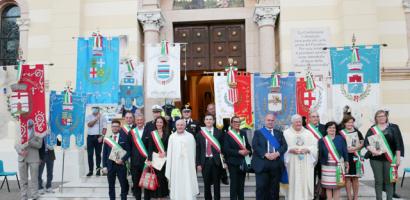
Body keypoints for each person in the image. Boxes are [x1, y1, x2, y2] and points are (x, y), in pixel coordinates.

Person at [364, 110, 401, 200]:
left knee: (389, 181)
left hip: (390, 159)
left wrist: (398, 159)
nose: (381, 118)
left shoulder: (393, 129)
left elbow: (398, 144)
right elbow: (366, 143)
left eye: (383, 116)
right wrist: (372, 149)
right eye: (379, 116)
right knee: (378, 181)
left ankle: (389, 198)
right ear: (376, 118)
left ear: (386, 117)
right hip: (375, 159)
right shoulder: (372, 129)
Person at [251, 114, 288, 200]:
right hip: (262, 163)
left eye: (272, 120)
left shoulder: (279, 133)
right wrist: (265, 154)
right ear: (265, 121)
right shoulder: (258, 133)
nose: (270, 122)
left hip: (275, 164)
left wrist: (277, 153)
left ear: (274, 122)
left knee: (274, 189)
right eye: (268, 120)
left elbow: (284, 146)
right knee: (261, 188)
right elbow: (255, 146)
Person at [284, 114, 318, 200]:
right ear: (292, 123)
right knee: (292, 181)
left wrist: (308, 149)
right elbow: (282, 148)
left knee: (304, 182)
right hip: (291, 163)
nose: (298, 123)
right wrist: (290, 150)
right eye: (296, 122)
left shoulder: (308, 133)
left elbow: (315, 147)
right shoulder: (286, 133)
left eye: (300, 121)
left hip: (305, 162)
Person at [166, 119, 199, 200]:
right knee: (177, 183)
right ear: (175, 126)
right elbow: (169, 153)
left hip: (188, 166)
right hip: (176, 166)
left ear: (185, 126)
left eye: (182, 125)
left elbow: (193, 152)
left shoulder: (190, 136)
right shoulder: (172, 137)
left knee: (188, 182)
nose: (180, 126)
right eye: (178, 125)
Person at [224, 116, 252, 200]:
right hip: (233, 163)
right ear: (231, 123)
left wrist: (248, 151)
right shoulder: (227, 134)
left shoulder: (243, 133)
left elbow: (248, 146)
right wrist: (239, 152)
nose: (237, 123)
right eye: (235, 122)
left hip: (242, 163)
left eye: (239, 122)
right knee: (234, 185)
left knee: (241, 185)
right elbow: (226, 149)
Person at [196, 114, 224, 200]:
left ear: (213, 121)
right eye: (207, 119)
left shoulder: (219, 132)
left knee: (216, 184)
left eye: (210, 119)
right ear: (204, 121)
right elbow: (198, 150)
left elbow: (222, 148)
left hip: (216, 161)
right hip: (205, 161)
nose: (208, 121)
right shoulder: (200, 134)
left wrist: (224, 162)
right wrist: (198, 164)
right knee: (206, 185)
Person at [318, 121, 349, 200]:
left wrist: (346, 161)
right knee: (328, 186)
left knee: (337, 185)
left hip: (338, 165)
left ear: (336, 129)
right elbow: (320, 154)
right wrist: (322, 163)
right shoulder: (322, 140)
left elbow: (345, 151)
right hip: (327, 166)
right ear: (326, 129)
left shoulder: (340, 139)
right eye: (330, 127)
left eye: (334, 128)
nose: (332, 129)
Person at [15, 120, 43, 200]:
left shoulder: (39, 129)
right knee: (23, 179)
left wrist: (29, 142)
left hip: (34, 158)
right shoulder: (20, 128)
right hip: (22, 158)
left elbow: (39, 145)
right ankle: (24, 196)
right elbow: (16, 143)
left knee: (34, 179)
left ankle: (34, 195)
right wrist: (20, 152)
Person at [102, 120, 130, 200]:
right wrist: (104, 166)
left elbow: (128, 152)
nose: (115, 128)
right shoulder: (108, 139)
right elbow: (104, 154)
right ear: (111, 127)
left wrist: (123, 160)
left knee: (123, 185)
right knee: (111, 186)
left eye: (116, 126)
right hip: (110, 166)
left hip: (121, 165)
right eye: (113, 126)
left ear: (119, 127)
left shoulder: (124, 138)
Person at [339, 115, 364, 200]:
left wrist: (356, 148)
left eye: (351, 122)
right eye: (348, 122)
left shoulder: (357, 132)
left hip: (355, 156)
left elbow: (362, 143)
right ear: (344, 123)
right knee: (347, 177)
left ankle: (355, 197)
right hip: (346, 157)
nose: (350, 124)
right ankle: (349, 196)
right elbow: (339, 145)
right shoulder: (341, 132)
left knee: (355, 177)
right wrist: (345, 150)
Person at [147, 116, 170, 199]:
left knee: (163, 179)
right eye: (157, 122)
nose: (159, 124)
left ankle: (162, 196)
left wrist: (165, 152)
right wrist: (149, 160)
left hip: (164, 159)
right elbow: (149, 148)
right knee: (156, 178)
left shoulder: (167, 133)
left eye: (161, 122)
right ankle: (156, 197)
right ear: (155, 123)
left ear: (163, 123)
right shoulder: (152, 134)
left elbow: (170, 147)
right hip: (155, 160)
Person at [305, 111, 326, 199]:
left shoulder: (324, 127)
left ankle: (321, 195)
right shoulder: (305, 128)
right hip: (309, 156)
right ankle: (311, 195)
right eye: (313, 116)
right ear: (309, 118)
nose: (315, 118)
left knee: (323, 176)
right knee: (311, 176)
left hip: (322, 156)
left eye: (317, 116)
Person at [128, 113, 150, 200]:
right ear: (135, 121)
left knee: (146, 184)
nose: (139, 121)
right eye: (138, 120)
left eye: (141, 120)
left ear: (144, 121)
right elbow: (129, 147)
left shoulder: (149, 131)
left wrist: (150, 159)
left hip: (146, 162)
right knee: (136, 184)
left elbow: (151, 147)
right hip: (135, 163)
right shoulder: (132, 132)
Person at [384, 110, 405, 199]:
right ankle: (385, 189)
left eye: (385, 115)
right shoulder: (377, 127)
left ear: (387, 116)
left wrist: (400, 155)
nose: (384, 117)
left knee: (393, 174)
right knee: (383, 175)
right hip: (382, 155)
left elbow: (399, 141)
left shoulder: (395, 127)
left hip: (393, 155)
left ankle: (393, 192)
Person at [85, 106, 107, 176]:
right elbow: (89, 125)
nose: (94, 109)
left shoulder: (103, 117)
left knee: (98, 154)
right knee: (90, 154)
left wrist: (102, 136)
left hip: (99, 137)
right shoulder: (89, 116)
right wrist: (96, 119)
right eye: (93, 108)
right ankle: (90, 170)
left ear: (98, 109)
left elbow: (104, 128)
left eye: (96, 108)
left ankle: (98, 170)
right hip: (90, 137)